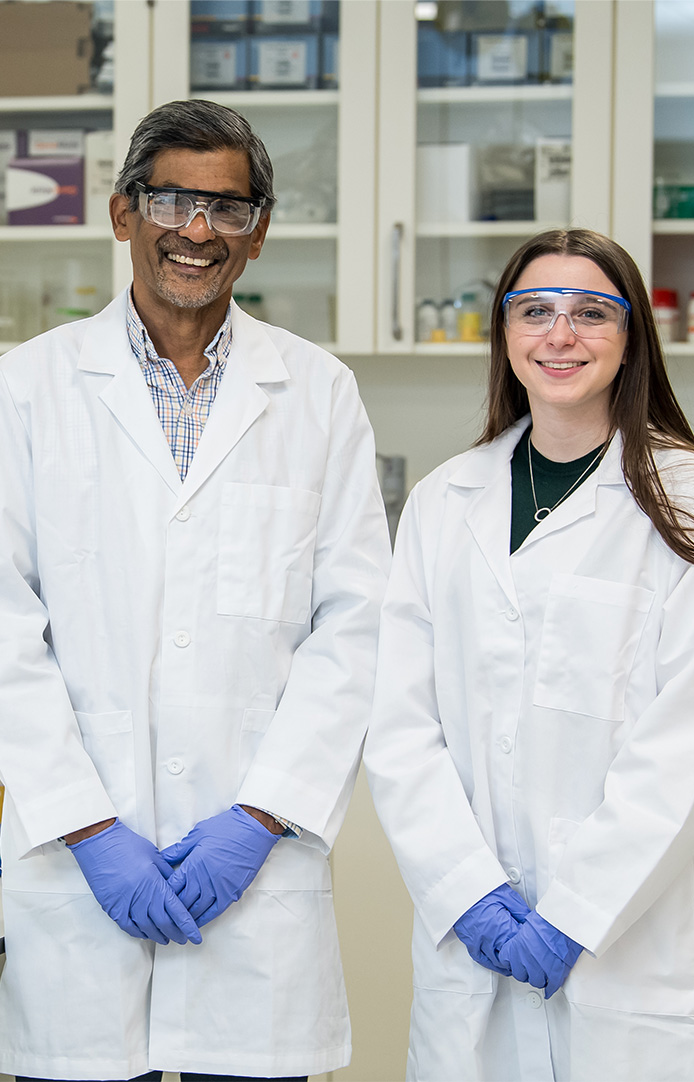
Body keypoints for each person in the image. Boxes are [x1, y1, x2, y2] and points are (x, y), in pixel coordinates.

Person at [0, 99, 391, 1082]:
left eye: (228, 208)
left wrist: (260, 818)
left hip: (253, 879)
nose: (198, 230)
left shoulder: (317, 392)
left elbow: (355, 624)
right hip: (76, 874)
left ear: (257, 236)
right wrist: (87, 828)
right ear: (124, 213)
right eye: (172, 200)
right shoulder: (27, 389)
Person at [364, 228, 694, 1082]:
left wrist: (577, 912)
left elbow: (686, 745)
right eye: (535, 311)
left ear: (631, 337)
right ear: (504, 333)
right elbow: (399, 725)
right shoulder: (442, 502)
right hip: (468, 936)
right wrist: (466, 891)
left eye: (591, 312)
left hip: (622, 946)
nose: (560, 334)